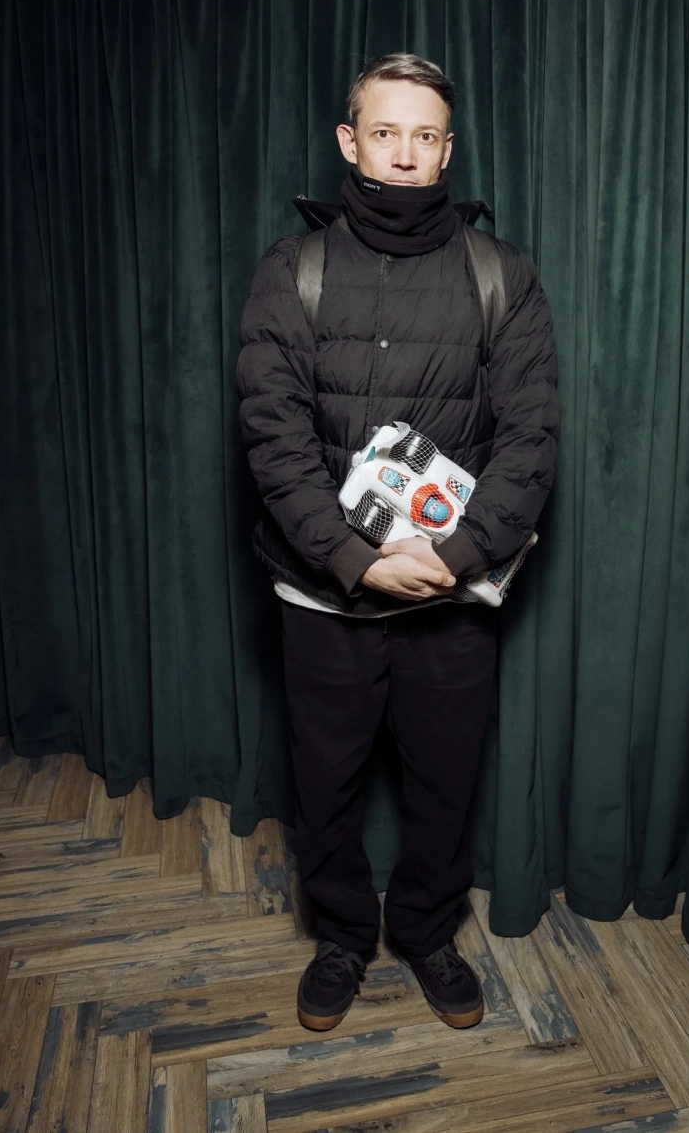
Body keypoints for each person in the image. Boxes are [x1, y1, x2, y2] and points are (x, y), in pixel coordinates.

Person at [236, 53, 559, 1031]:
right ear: (351, 142)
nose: (405, 154)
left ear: (447, 151)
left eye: (425, 136)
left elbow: (531, 437)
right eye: (386, 133)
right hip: (321, 590)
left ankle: (424, 931)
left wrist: (452, 559)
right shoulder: (291, 271)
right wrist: (353, 559)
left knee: (444, 781)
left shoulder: (503, 275)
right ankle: (341, 934)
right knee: (325, 779)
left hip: (448, 593)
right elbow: (272, 433)